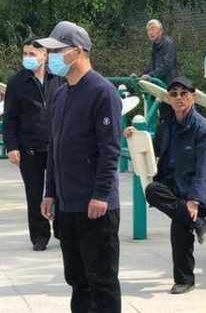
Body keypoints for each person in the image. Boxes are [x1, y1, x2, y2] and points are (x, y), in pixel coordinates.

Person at [38, 21, 122, 312]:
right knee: (77, 280)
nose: (50, 58)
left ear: (78, 51)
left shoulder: (102, 92)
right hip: (67, 205)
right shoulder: (60, 95)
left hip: (95, 207)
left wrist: (100, 194)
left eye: (56, 51)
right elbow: (54, 147)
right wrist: (50, 191)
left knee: (102, 281)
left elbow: (110, 149)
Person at [125, 76, 206, 295]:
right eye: (174, 94)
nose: (179, 98)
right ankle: (196, 222)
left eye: (184, 93)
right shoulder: (167, 125)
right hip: (175, 186)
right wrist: (134, 136)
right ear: (169, 98)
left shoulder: (203, 129)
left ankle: (184, 280)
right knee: (152, 191)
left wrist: (194, 200)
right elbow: (154, 147)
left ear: (193, 97)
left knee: (180, 228)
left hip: (200, 190)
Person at [3, 38, 64, 251]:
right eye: (25, 54)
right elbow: (9, 117)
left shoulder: (58, 78)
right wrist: (12, 146)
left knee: (60, 190)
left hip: (56, 145)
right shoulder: (17, 82)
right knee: (34, 193)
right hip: (29, 147)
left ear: (44, 56)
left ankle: (62, 230)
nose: (27, 58)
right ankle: (39, 236)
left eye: (32, 54)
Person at [141, 19, 178, 85]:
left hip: (168, 84)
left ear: (160, 31)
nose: (150, 32)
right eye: (148, 30)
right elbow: (152, 65)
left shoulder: (168, 43)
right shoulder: (155, 45)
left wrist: (150, 75)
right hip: (158, 81)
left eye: (153, 29)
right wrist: (140, 75)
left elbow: (166, 65)